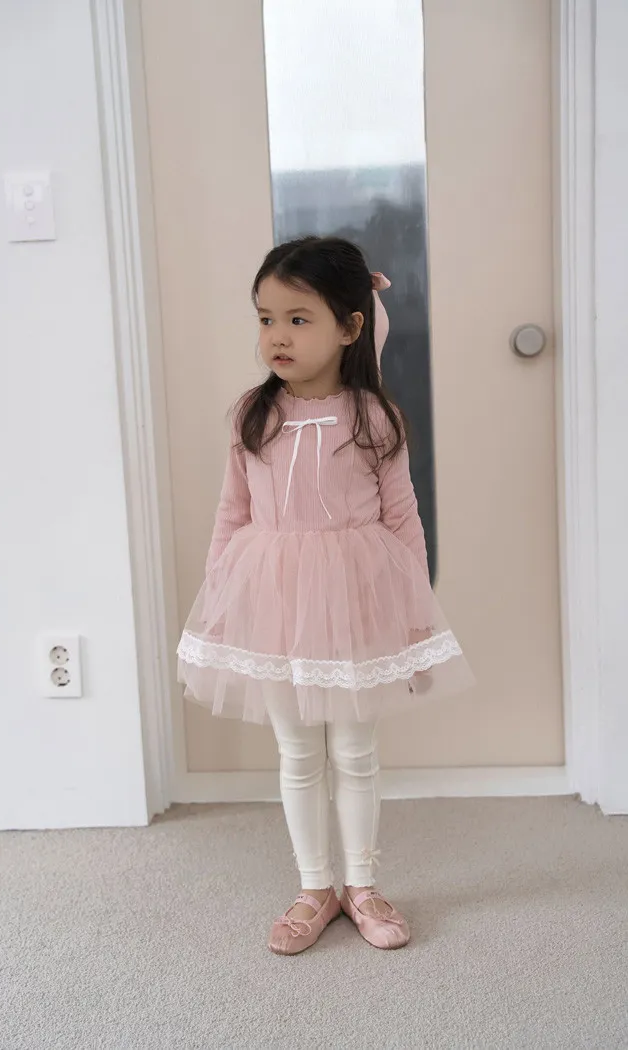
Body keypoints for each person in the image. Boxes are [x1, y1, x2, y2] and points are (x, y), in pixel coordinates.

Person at [177, 236, 473, 955]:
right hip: (274, 606)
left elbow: (402, 518)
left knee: (356, 749)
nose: (276, 336)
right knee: (298, 751)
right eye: (265, 319)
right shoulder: (251, 415)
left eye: (297, 319)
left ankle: (361, 885)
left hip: (354, 604)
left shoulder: (374, 418)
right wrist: (220, 609)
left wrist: (414, 619)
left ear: (350, 325)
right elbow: (232, 514)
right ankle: (315, 886)